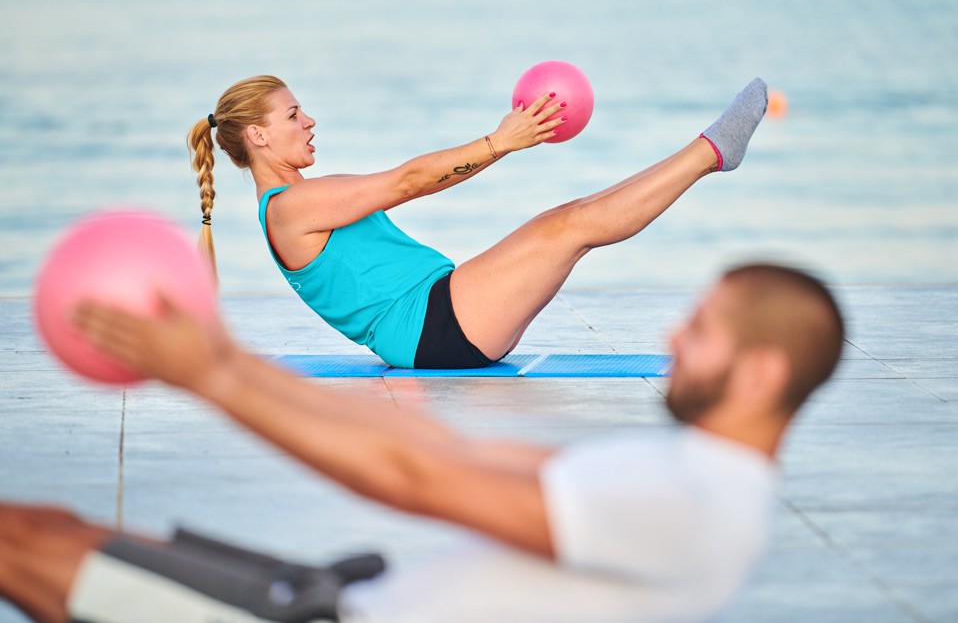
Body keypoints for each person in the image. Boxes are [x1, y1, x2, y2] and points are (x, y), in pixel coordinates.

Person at [0, 262, 844, 623]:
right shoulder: (683, 472)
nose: (671, 337)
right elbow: (436, 447)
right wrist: (227, 359)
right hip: (329, 598)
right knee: (39, 531)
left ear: (762, 371)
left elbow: (408, 479)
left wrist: (210, 382)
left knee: (24, 546)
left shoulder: (693, 503)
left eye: (697, 330)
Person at [189, 75, 769, 369]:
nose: (309, 120)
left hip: (440, 314)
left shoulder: (306, 198)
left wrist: (501, 147)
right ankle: (710, 153)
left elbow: (416, 180)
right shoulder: (290, 210)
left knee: (566, 221)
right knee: (566, 228)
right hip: (433, 329)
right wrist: (500, 142)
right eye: (294, 114)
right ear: (258, 135)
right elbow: (408, 180)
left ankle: (708, 152)